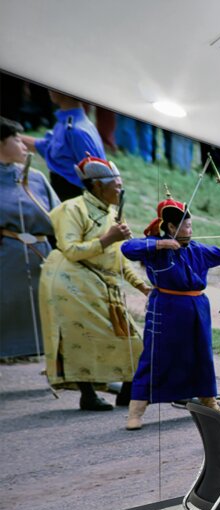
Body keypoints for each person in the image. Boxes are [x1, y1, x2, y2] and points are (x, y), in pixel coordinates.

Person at [120, 198, 220, 430]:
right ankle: (135, 412)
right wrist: (162, 244)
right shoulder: (155, 247)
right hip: (166, 307)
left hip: (197, 307)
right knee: (154, 357)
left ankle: (209, 401)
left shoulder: (196, 249)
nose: (190, 230)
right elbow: (127, 248)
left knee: (202, 354)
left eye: (190, 225)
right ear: (171, 227)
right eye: (186, 226)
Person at [38, 156, 148, 410]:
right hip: (71, 281)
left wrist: (141, 285)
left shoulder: (112, 214)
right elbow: (70, 250)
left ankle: (127, 393)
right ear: (98, 185)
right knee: (81, 337)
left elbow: (119, 257)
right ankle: (88, 395)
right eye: (116, 186)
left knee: (133, 340)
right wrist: (108, 238)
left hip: (102, 283)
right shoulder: (72, 209)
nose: (120, 190)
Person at [0, 117, 59, 359]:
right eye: (16, 140)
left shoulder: (35, 177)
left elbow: (59, 216)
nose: (24, 145)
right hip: (7, 254)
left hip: (41, 253)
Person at [20, 90, 105, 201]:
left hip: (72, 197)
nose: (49, 91)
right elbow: (47, 147)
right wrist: (9, 134)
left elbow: (96, 176)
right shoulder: (67, 122)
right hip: (62, 191)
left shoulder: (76, 130)